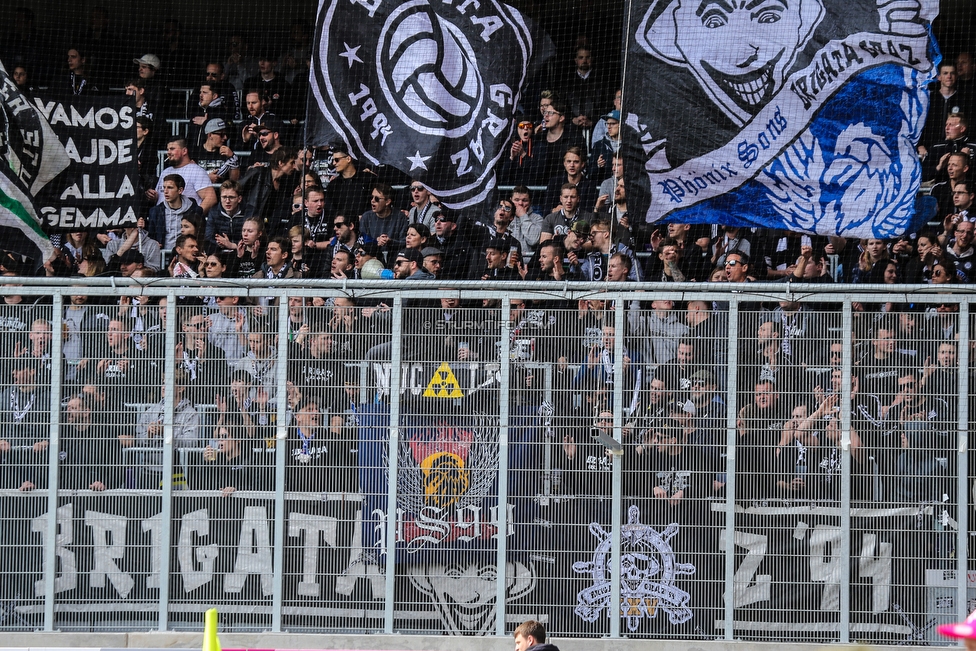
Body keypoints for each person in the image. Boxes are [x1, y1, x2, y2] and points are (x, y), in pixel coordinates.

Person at [148, 138, 217, 214]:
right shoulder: (165, 172)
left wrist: (195, 217)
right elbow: (161, 197)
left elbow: (211, 199)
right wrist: (154, 196)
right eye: (168, 149)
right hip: (163, 221)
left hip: (184, 222)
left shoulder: (196, 171)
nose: (168, 152)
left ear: (184, 151)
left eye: (172, 149)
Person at [191, 118, 240, 185]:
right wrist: (206, 179)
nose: (225, 137)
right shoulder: (195, 153)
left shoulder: (227, 153)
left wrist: (233, 157)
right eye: (221, 134)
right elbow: (189, 179)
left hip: (222, 193)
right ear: (210, 135)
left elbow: (234, 181)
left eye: (226, 134)